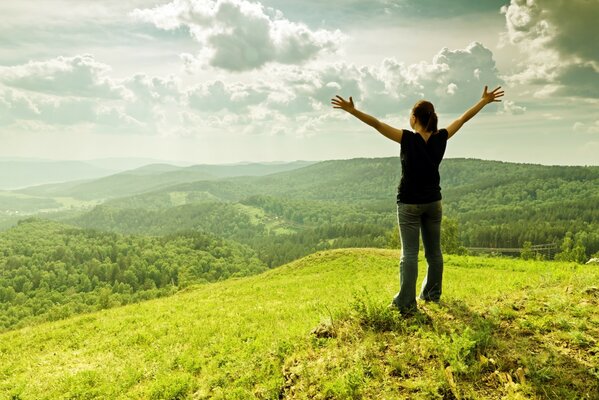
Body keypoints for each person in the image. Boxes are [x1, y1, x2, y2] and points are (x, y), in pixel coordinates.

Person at [331, 86, 504, 315]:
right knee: (435, 253)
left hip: (409, 204)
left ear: (414, 118)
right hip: (434, 203)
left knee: (409, 254)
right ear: (432, 119)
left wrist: (352, 111)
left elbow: (377, 124)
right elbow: (463, 119)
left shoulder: (407, 139)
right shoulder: (441, 137)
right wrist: (483, 101)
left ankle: (405, 303)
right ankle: (432, 295)